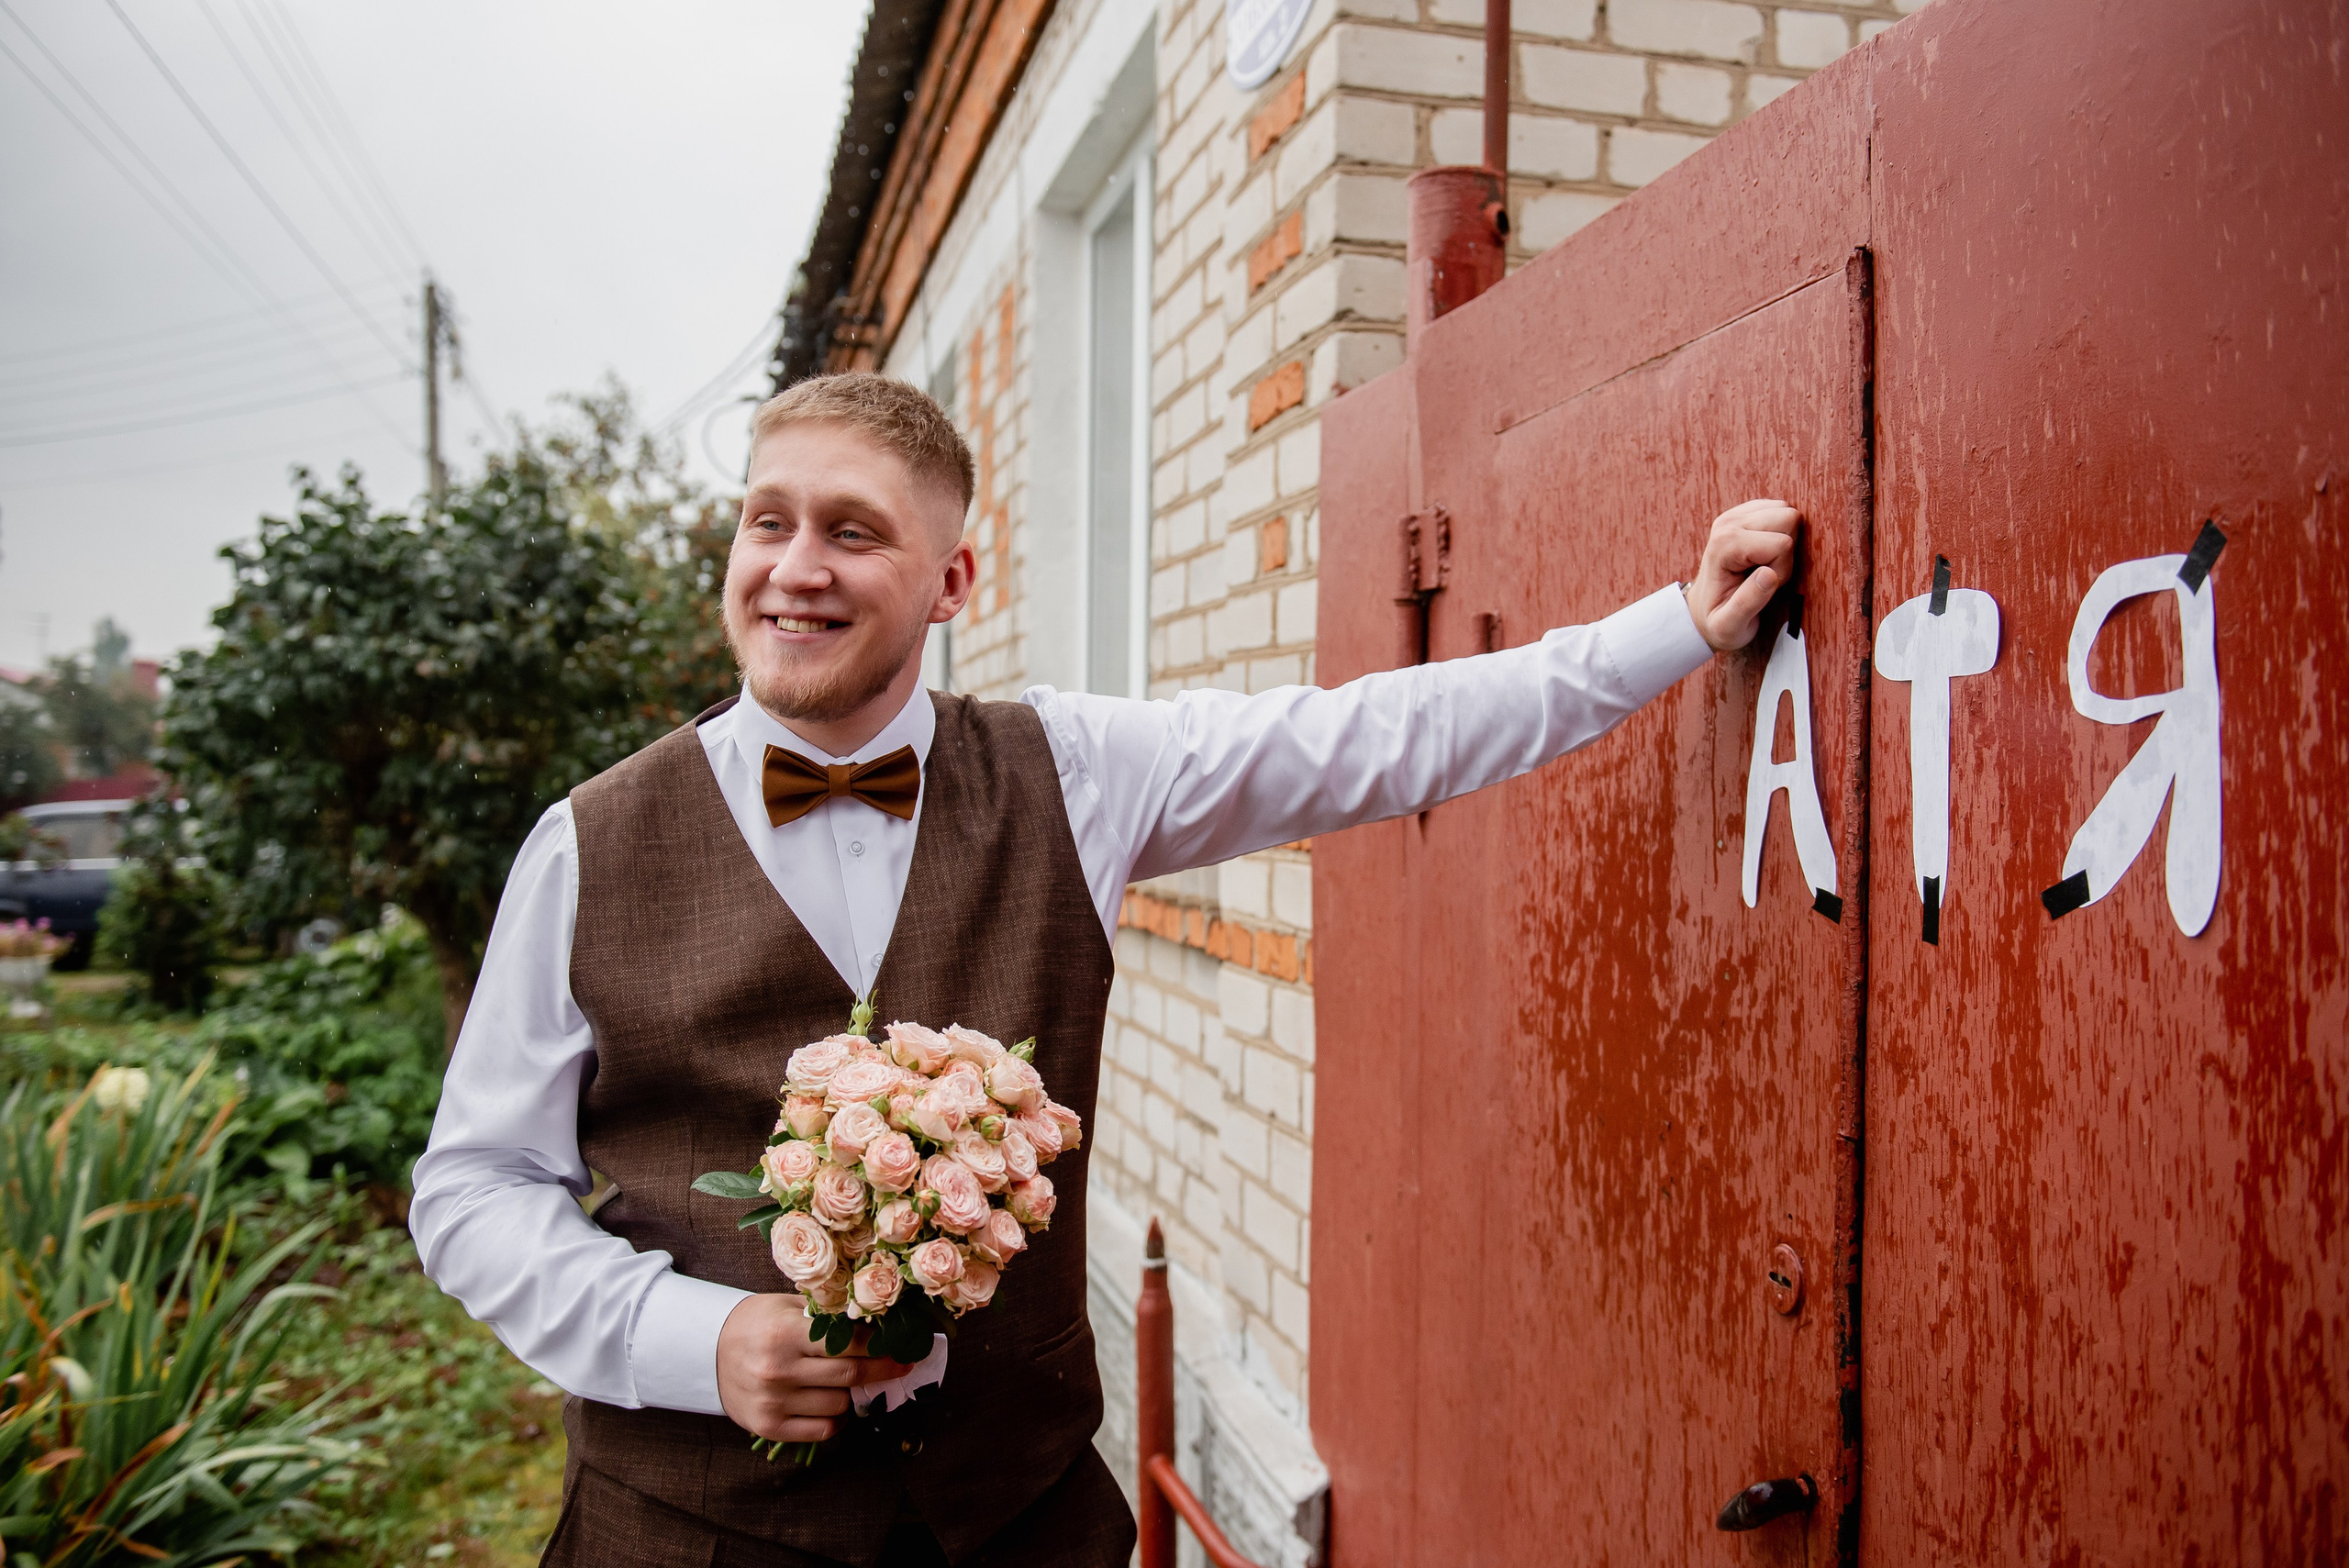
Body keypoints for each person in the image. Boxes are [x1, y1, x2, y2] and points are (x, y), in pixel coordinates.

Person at [410, 372, 1797, 1566]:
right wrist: (690, 1338)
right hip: (689, 1535)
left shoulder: (1073, 770)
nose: (795, 565)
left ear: (956, 579)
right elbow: (473, 1190)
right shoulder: (587, 843)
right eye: (768, 521)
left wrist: (1673, 624)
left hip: (1018, 1524)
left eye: (853, 531)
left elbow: (1382, 734)